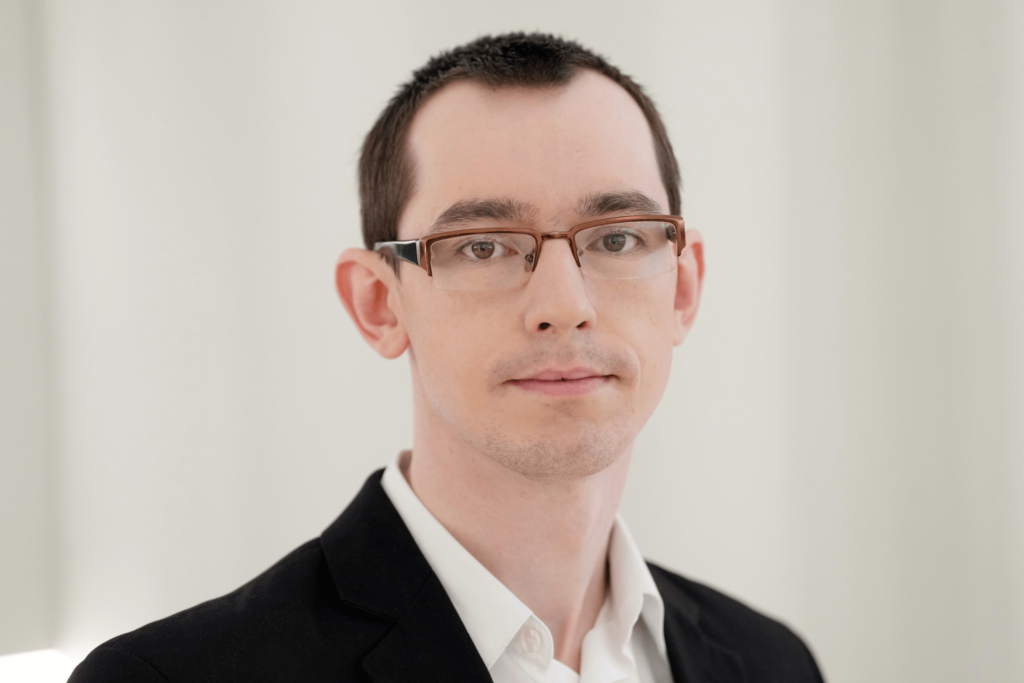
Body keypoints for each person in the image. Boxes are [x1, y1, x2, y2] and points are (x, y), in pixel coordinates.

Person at [70, 33, 824, 683]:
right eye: (483, 246)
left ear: (683, 288)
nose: (564, 304)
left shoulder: (773, 663)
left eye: (618, 237)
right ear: (379, 304)